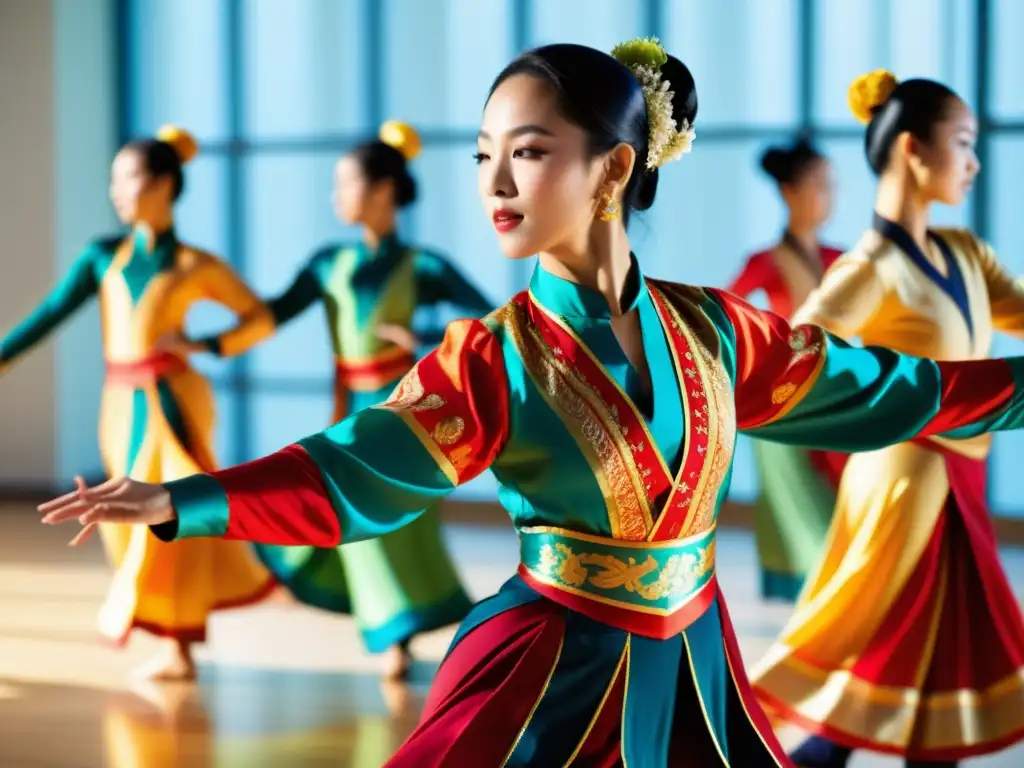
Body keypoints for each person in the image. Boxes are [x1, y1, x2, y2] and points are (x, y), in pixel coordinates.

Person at [39, 43, 1024, 767]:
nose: (494, 184)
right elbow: (354, 466)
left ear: (613, 169)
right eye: (480, 156)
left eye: (528, 152)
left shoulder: (718, 334)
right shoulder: (490, 356)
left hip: (694, 664)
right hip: (542, 674)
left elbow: (902, 390)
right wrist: (183, 500)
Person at [751, 70, 1024, 767]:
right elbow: (798, 355)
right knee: (877, 646)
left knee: (935, 657)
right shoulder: (869, 267)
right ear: (913, 150)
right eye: (962, 143)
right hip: (900, 485)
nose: (974, 160)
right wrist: (884, 398)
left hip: (960, 484)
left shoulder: (965, 253)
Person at [1, 126, 277, 680]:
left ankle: (177, 645)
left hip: (173, 403)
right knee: (121, 521)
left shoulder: (194, 264)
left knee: (165, 507)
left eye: (125, 177)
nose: (115, 190)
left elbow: (259, 318)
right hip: (120, 405)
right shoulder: (103, 256)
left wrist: (204, 345)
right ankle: (166, 633)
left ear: (162, 183)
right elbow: (52, 312)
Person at [254, 120, 492, 679]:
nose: (336, 197)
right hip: (352, 411)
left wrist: (428, 334)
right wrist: (210, 337)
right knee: (356, 516)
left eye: (346, 185)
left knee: (399, 522)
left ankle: (399, 635)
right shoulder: (327, 265)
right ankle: (392, 634)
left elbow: (489, 319)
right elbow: (274, 312)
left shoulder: (422, 265)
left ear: (382, 190)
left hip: (405, 411)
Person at [727, 137, 847, 600]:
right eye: (819, 185)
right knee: (798, 497)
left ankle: (841, 584)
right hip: (786, 398)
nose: (828, 196)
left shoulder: (840, 259)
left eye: (830, 185)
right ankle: (816, 587)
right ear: (790, 192)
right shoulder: (766, 262)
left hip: (832, 389)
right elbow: (726, 309)